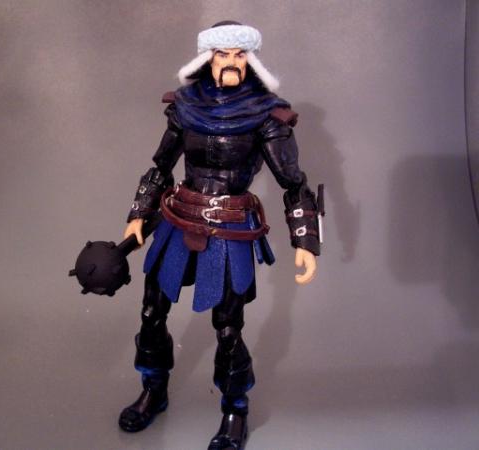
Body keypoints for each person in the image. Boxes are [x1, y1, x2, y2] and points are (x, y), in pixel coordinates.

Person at [119, 21, 322, 450]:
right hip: (179, 217)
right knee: (152, 310)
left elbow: (293, 182)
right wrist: (139, 214)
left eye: (239, 54)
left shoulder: (266, 113)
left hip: (230, 227)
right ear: (207, 58)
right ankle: (153, 389)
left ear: (250, 60)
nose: (231, 62)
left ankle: (235, 409)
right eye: (222, 54)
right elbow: (160, 166)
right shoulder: (186, 106)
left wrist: (305, 242)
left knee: (228, 327)